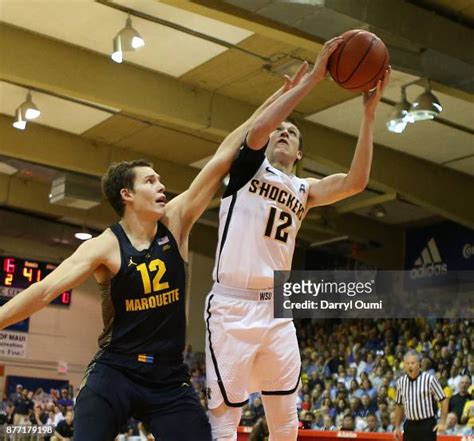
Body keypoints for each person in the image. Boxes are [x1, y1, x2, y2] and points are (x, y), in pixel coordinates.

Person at [0, 63, 309, 440]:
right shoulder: (106, 246)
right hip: (116, 370)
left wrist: (277, 97)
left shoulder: (175, 222)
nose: (162, 186)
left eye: (160, 180)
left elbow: (226, 153)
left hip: (167, 377)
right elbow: (44, 290)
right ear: (127, 195)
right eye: (151, 181)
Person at [204, 34, 390, 440]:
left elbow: (356, 182)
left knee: (286, 426)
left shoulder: (304, 191)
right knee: (223, 423)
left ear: (301, 153)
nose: (283, 133)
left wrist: (369, 115)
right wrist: (313, 80)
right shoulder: (246, 170)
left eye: (292, 133)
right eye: (279, 130)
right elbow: (257, 127)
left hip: (276, 309)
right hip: (232, 306)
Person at [394, 350, 448, 441]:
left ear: (419, 365)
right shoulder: (400, 382)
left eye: (412, 363)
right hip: (409, 424)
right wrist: (397, 426)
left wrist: (442, 422)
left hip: (427, 424)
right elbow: (399, 405)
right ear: (404, 366)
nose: (410, 365)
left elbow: (443, 399)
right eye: (407, 363)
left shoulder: (429, 379)